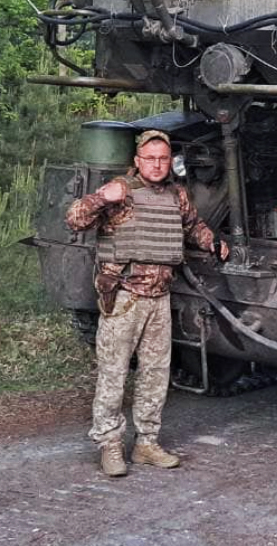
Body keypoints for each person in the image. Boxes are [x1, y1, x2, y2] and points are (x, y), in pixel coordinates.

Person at [65, 130, 229, 478]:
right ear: (138, 161)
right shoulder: (120, 191)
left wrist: (213, 242)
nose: (157, 164)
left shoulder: (176, 195)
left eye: (163, 158)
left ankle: (146, 443)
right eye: (150, 158)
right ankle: (110, 444)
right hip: (124, 296)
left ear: (170, 162)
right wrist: (100, 199)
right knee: (114, 374)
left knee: (156, 375)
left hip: (159, 298)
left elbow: (193, 226)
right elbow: (74, 220)